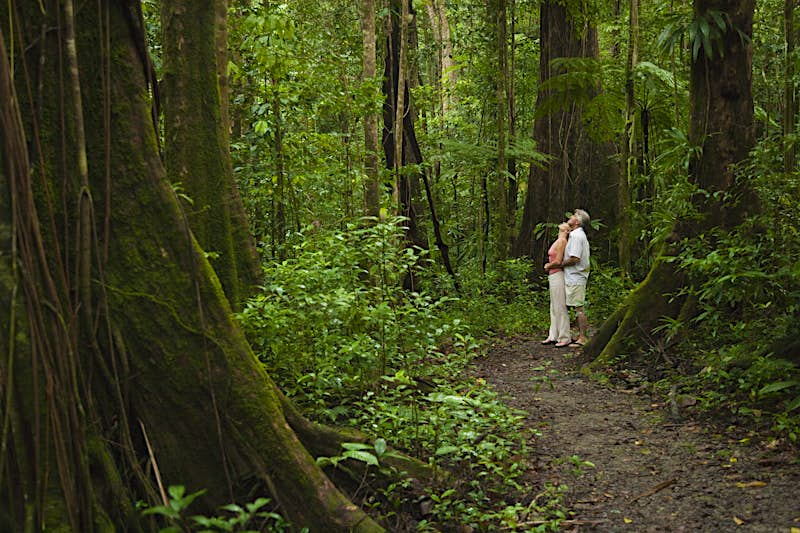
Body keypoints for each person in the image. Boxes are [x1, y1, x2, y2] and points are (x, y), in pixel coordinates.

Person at [546, 209, 590, 347]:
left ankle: (583, 337)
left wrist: (559, 264)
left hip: (576, 276)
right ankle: (579, 335)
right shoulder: (575, 235)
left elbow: (575, 258)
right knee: (575, 306)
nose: (570, 217)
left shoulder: (576, 237)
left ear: (577, 222)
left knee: (578, 307)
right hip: (573, 276)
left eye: (574, 216)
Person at [541, 223, 572, 347]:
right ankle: (553, 334)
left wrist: (548, 266)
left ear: (567, 230)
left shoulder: (562, 241)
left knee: (560, 305)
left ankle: (564, 336)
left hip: (558, 274)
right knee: (554, 306)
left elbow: (558, 261)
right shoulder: (559, 240)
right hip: (553, 275)